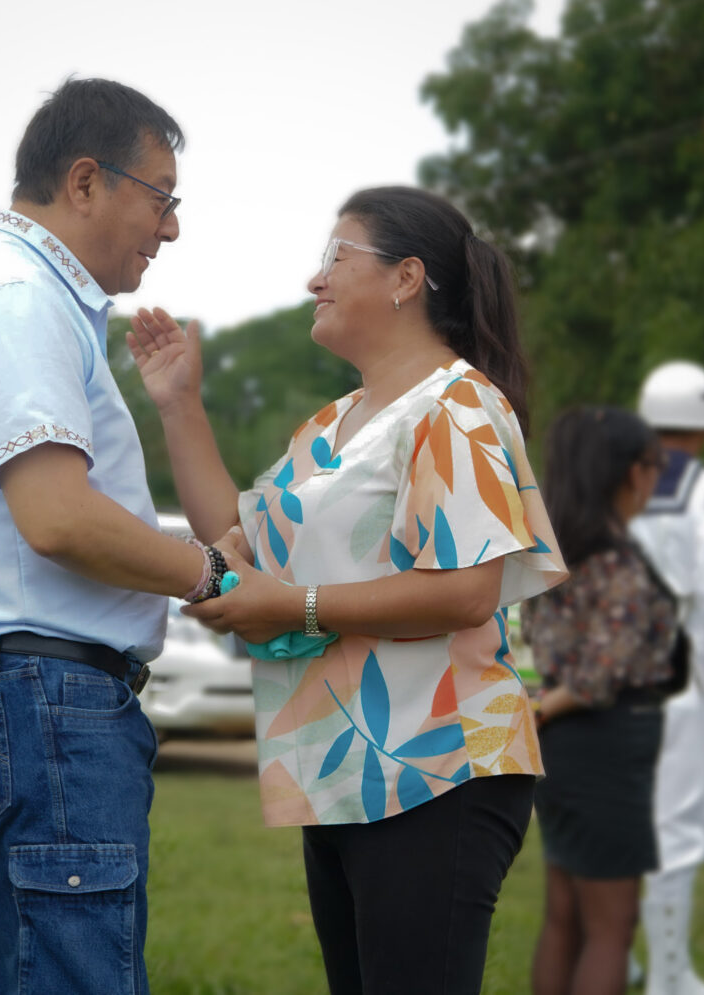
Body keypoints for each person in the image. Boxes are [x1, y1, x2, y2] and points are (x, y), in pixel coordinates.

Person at [126, 186, 568, 994]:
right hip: (346, 773)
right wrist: (180, 404)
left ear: (406, 278)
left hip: (440, 765)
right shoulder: (332, 426)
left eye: (336, 256)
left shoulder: (457, 405)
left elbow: (467, 589)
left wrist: (292, 606)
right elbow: (240, 538)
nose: (315, 279)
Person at [0, 77, 235, 995]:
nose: (170, 228)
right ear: (85, 182)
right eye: (161, 197)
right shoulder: (15, 299)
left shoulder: (3, 293)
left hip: (12, 691)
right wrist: (211, 573)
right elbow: (58, 517)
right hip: (39, 699)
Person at [522, 406, 681, 995]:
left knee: (564, 916)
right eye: (656, 464)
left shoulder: (552, 561)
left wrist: (541, 710)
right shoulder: (617, 565)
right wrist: (543, 708)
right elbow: (598, 677)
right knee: (612, 927)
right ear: (632, 472)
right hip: (606, 746)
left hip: (561, 754)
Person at [630, 361, 704, 995]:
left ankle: (613, 957)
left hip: (610, 678)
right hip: (683, 679)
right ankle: (669, 978)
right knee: (677, 829)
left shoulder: (609, 479)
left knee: (618, 821)